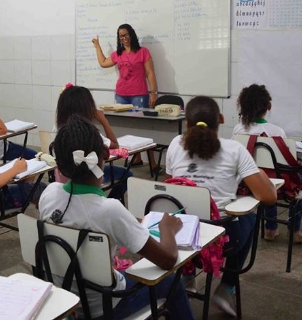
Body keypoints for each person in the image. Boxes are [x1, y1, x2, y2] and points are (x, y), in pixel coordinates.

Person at [39, 115, 194, 320]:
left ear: (60, 163)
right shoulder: (110, 210)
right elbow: (167, 260)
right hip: (104, 306)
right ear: (105, 153)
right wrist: (168, 228)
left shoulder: (49, 194)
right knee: (171, 282)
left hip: (66, 301)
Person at [165, 96, 277, 316]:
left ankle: (187, 276)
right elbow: (268, 197)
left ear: (186, 123)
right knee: (250, 217)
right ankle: (226, 287)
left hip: (178, 238)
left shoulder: (174, 145)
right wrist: (259, 173)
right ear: (222, 119)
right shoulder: (235, 149)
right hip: (219, 242)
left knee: (190, 213)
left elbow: (170, 187)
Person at [233, 84, 302, 244]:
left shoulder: (238, 129)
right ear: (269, 106)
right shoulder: (277, 131)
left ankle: (271, 229)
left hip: (246, 184)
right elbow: (285, 165)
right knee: (294, 183)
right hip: (274, 186)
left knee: (266, 178)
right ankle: (295, 230)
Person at [55, 85, 132, 200]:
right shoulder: (89, 133)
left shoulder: (58, 130)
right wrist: (103, 120)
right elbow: (114, 145)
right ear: (87, 108)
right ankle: (109, 201)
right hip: (87, 175)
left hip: (63, 175)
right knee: (127, 175)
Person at [92, 24, 158, 108]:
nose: (124, 38)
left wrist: (154, 93)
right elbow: (103, 63)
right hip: (121, 95)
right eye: (121, 36)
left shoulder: (143, 52)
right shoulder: (118, 54)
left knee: (139, 121)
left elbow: (150, 73)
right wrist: (97, 46)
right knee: (122, 121)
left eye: (126, 34)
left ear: (131, 34)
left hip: (139, 95)